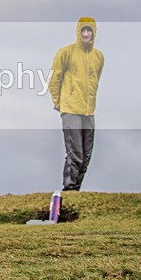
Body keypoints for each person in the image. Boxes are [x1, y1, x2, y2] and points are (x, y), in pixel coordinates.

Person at [48, 17, 105, 191]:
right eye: (83, 30)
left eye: (89, 31)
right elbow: (53, 79)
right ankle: (69, 189)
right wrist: (59, 103)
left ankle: (76, 191)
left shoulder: (98, 57)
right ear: (78, 32)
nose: (86, 34)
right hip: (70, 109)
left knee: (86, 155)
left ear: (94, 32)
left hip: (89, 111)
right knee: (75, 153)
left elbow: (95, 81)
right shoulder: (66, 52)